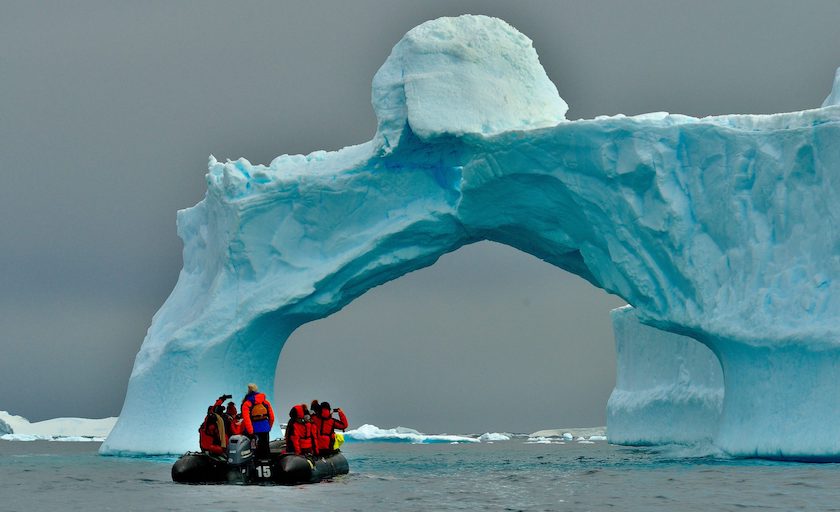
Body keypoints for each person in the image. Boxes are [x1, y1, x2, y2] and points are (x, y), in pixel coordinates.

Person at [241, 383, 275, 459]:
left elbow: (247, 419)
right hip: (265, 429)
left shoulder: (247, 403)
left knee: (253, 450)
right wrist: (268, 427)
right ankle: (266, 465)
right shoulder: (266, 402)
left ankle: (254, 467)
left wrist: (250, 432)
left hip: (253, 430)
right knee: (265, 448)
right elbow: (272, 417)